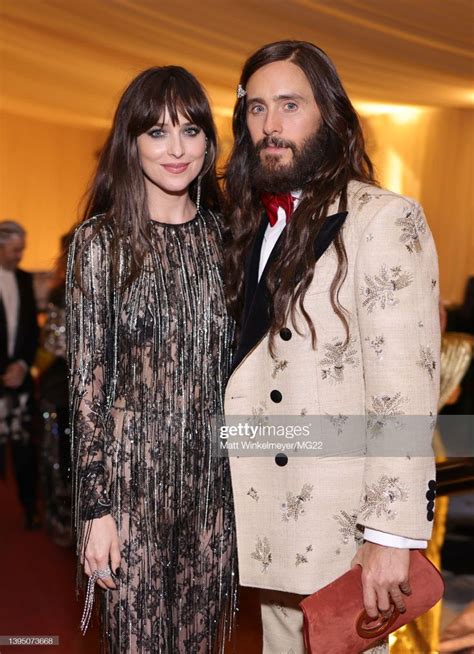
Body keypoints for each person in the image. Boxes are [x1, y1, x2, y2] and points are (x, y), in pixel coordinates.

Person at [223, 41, 440, 653]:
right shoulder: (248, 226)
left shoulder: (383, 219)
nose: (270, 126)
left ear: (331, 116)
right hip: (271, 522)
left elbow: (406, 392)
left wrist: (393, 537)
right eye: (257, 108)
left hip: (345, 529)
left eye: (290, 105)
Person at [67, 66, 236, 653]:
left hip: (215, 489)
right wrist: (96, 512)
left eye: (190, 131)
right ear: (131, 141)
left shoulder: (229, 240)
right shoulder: (100, 245)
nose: (176, 149)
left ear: (210, 142)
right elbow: (88, 391)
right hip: (131, 488)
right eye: (157, 132)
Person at [0, 220, 40, 529]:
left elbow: (31, 331)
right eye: (16, 250)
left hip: (21, 378)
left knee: (26, 448)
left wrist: (23, 366)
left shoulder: (26, 281)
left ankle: (30, 510)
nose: (20, 256)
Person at [39, 234, 73, 546]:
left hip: (73, 388)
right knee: (61, 456)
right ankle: (64, 519)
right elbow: (52, 343)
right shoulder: (60, 293)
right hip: (61, 386)